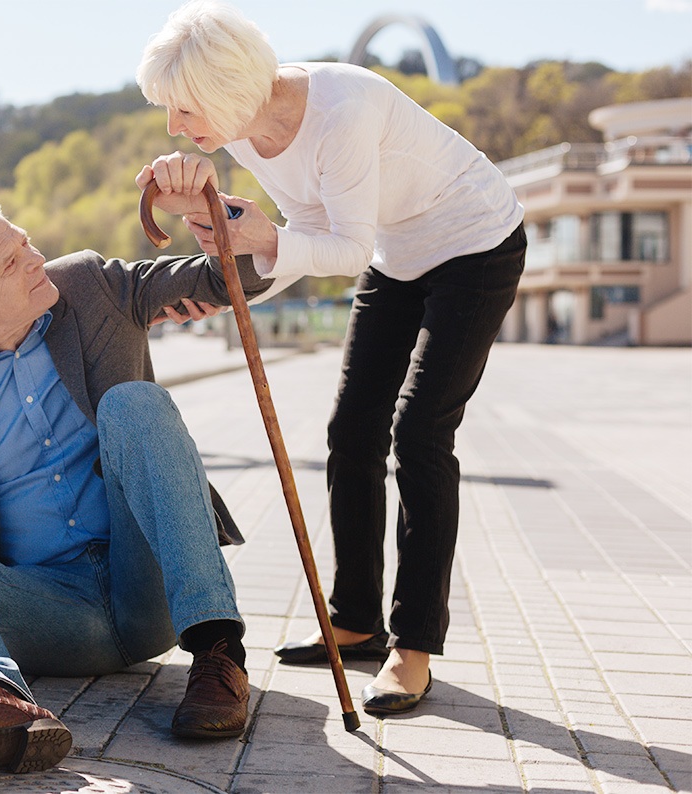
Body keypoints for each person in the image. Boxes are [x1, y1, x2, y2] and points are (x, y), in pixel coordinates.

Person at [136, 0, 526, 716]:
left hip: (474, 243)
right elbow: (307, 228)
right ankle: (355, 621)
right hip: (395, 252)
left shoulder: (342, 109)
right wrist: (234, 285)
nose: (174, 127)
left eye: (184, 108)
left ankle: (413, 647)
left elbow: (340, 251)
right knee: (351, 433)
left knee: (419, 433)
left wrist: (260, 238)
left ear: (229, 87)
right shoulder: (248, 129)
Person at [0, 195, 273, 783]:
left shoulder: (89, 285)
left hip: (149, 589)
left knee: (135, 402)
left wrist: (241, 231)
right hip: (48, 614)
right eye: (12, 262)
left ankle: (219, 653)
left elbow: (224, 279)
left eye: (25, 242)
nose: (36, 258)